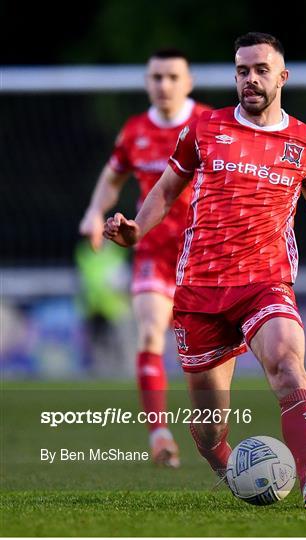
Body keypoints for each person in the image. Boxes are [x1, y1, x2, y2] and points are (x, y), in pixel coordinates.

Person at [103, 32, 306, 508]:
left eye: (261, 69)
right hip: (200, 290)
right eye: (242, 70)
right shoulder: (204, 129)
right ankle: (232, 470)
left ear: (282, 76)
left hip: (264, 282)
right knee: (207, 429)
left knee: (287, 364)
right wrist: (137, 229)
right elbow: (163, 190)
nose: (251, 79)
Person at [79, 48, 210, 467]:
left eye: (173, 77)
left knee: (204, 359)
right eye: (156, 77)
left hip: (203, 255)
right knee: (151, 332)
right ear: (147, 82)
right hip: (151, 249)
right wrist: (93, 212)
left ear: (188, 83)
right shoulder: (135, 130)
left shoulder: (210, 125)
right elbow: (113, 174)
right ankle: (159, 435)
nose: (163, 85)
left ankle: (213, 442)